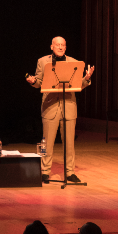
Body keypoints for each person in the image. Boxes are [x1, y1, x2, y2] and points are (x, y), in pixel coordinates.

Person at [24, 35, 94, 183]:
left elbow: (77, 85)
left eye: (63, 45)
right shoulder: (43, 62)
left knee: (69, 143)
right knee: (47, 142)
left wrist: (86, 78)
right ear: (52, 46)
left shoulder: (74, 63)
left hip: (68, 106)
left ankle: (70, 172)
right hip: (50, 106)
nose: (60, 47)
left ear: (66, 47)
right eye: (57, 45)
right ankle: (45, 172)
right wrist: (33, 81)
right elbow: (40, 82)